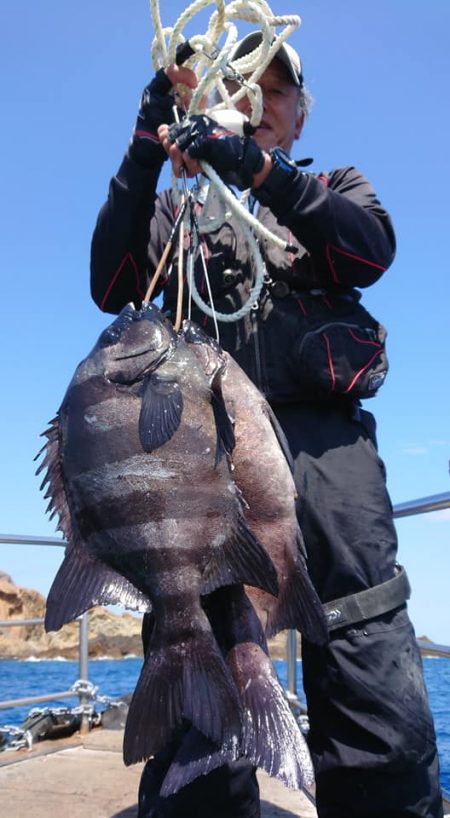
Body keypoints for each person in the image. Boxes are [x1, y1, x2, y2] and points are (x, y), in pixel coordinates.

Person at [90, 31, 443, 818]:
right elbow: (107, 281)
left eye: (276, 91)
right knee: (199, 718)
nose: (258, 101)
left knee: (366, 655)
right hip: (202, 476)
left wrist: (256, 170)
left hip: (331, 464)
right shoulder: (171, 222)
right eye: (243, 86)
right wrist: (148, 143)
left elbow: (370, 249)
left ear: (298, 119)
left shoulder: (333, 189)